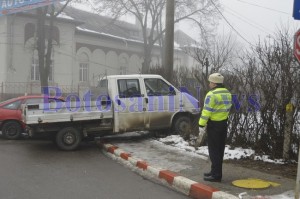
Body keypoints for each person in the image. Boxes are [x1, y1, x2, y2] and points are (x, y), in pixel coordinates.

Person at [198, 73, 232, 182]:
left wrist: (201, 124)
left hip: (214, 125)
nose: (209, 84)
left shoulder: (211, 94)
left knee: (213, 151)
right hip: (223, 124)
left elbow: (206, 110)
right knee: (219, 150)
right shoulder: (227, 93)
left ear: (214, 83)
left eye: (210, 82)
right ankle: (214, 171)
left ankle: (216, 175)